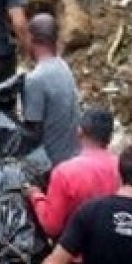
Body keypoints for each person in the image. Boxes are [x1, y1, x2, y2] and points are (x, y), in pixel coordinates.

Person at [27, 107, 119, 240]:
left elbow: (52, 226)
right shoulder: (123, 167)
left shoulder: (64, 173)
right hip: (113, 249)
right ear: (110, 137)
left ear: (79, 131)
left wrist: (35, 196)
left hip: (75, 254)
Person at [22, 13, 80, 168]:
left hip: (52, 162)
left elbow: (33, 132)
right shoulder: (63, 66)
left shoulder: (36, 79)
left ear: (31, 38)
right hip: (72, 154)